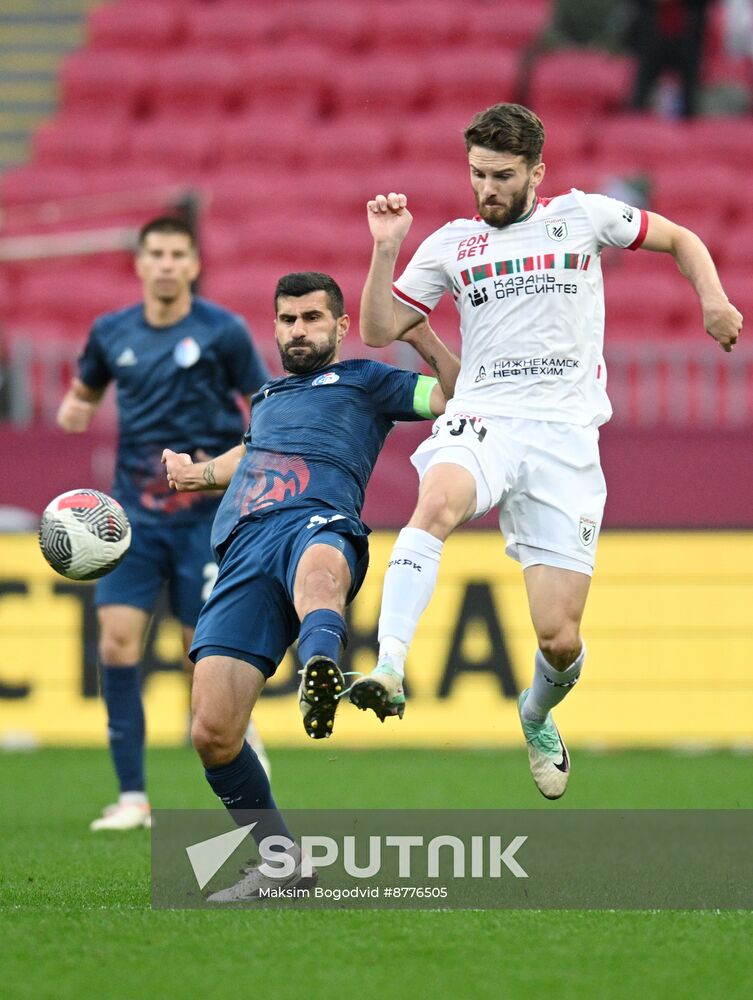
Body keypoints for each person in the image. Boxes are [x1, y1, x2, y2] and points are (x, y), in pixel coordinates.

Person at [355, 102, 742, 800]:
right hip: (485, 418)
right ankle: (387, 666)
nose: (486, 189)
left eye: (501, 175)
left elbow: (682, 239)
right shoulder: (451, 244)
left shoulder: (585, 217)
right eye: (476, 174)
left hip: (564, 439)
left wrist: (711, 300)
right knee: (434, 504)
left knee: (559, 638)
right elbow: (380, 328)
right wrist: (385, 248)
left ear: (537, 170)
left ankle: (534, 714)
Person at [162, 270, 458, 900]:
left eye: (313, 318)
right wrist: (195, 475)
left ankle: (319, 667)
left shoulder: (366, 380)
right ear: (275, 326)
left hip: (319, 520)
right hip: (243, 548)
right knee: (212, 732)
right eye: (288, 320)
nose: (299, 330)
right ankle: (282, 864)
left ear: (341, 326)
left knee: (319, 574)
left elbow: (457, 396)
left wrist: (424, 336)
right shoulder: (267, 397)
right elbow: (251, 454)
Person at [56, 215, 271, 831]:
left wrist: (226, 468)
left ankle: (241, 746)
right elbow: (84, 396)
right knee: (117, 643)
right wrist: (74, 410)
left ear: (194, 264)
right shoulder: (111, 332)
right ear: (140, 262)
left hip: (206, 518)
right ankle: (132, 799)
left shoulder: (221, 331)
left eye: (179, 253)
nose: (168, 263)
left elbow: (264, 408)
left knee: (196, 657)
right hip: (129, 522)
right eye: (157, 253)